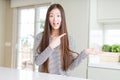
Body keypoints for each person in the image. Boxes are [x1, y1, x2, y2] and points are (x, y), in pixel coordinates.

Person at [33, 3, 101, 76]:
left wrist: (85, 52)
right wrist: (51, 46)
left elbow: (71, 66)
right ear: (48, 19)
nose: (55, 19)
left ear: (62, 18)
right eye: (51, 16)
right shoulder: (40, 37)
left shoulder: (69, 39)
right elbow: (37, 62)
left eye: (58, 16)